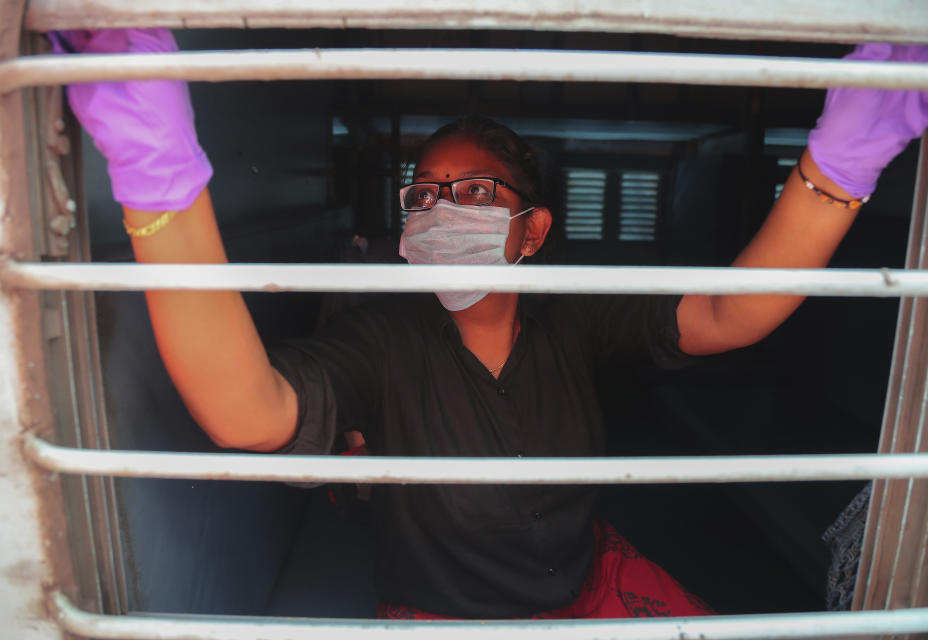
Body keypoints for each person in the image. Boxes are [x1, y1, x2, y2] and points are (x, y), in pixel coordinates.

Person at [50, 29, 928, 619]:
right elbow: (249, 410)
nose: (441, 213)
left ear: (533, 231)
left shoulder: (574, 322)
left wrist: (838, 161)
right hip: (442, 621)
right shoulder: (379, 341)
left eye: (473, 195)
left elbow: (728, 316)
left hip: (591, 589)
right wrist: (158, 179)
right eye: (423, 196)